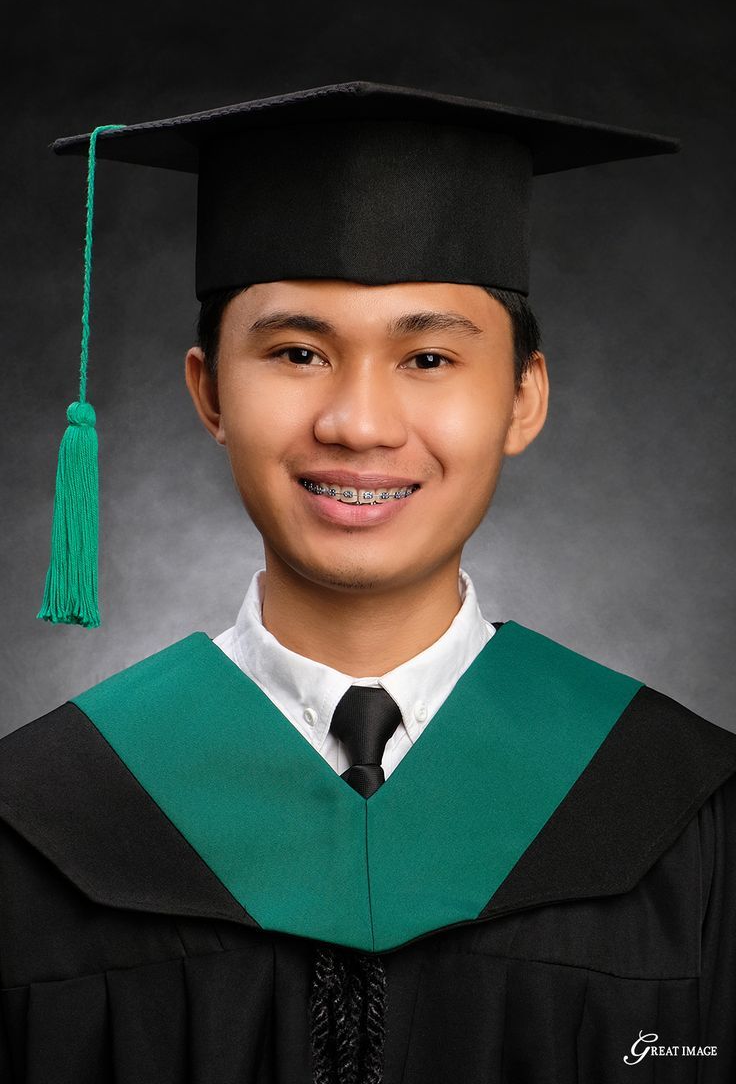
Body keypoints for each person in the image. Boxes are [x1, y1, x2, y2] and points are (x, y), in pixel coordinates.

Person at [1, 82, 734, 1084]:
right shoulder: (43, 816)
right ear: (210, 391)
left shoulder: (685, 812)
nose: (358, 423)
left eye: (428, 356)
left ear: (523, 399)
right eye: (297, 352)